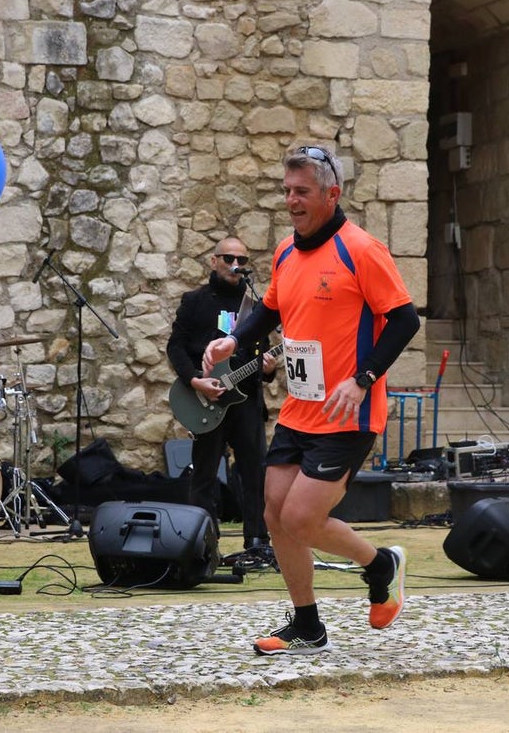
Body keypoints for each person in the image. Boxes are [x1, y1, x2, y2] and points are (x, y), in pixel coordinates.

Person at [203, 145, 420, 655]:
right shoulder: (285, 251)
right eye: (287, 191)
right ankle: (307, 624)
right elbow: (271, 310)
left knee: (302, 517)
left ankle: (381, 564)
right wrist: (237, 340)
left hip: (349, 410)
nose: (292, 201)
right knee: (275, 515)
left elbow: (405, 320)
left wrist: (363, 378)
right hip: (302, 408)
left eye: (302, 192)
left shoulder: (361, 249)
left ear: (331, 194)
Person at [167, 237, 277, 548]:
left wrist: (269, 369)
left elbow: (263, 352)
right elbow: (175, 347)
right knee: (204, 476)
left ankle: (257, 540)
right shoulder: (195, 301)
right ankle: (201, 544)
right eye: (228, 258)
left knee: (255, 473)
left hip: (246, 402)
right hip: (207, 400)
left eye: (242, 260)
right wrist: (194, 380)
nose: (235, 266)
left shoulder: (255, 307)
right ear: (214, 261)